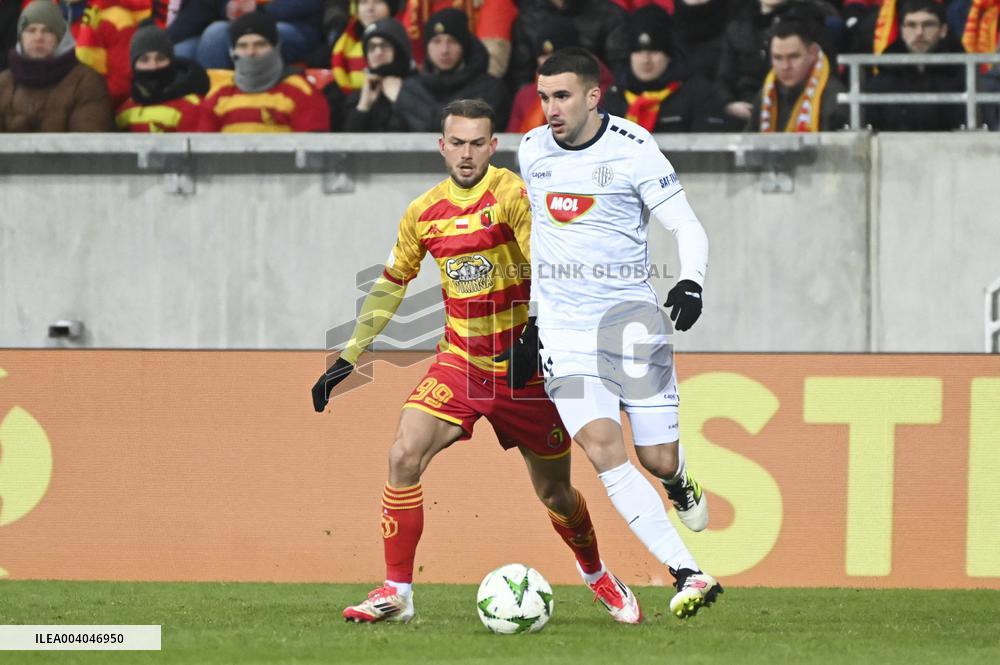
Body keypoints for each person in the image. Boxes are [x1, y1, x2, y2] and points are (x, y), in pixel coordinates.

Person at [314, 98, 643, 626]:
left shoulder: (513, 194)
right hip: (461, 362)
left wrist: (536, 331)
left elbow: (549, 263)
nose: (466, 154)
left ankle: (597, 574)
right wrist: (350, 355)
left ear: (493, 146)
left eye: (477, 143)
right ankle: (397, 591)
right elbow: (393, 282)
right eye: (457, 143)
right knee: (403, 456)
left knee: (556, 492)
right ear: (441, 146)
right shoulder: (423, 212)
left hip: (526, 369)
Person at [515, 47, 721, 619]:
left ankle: (679, 482)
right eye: (543, 97)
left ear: (591, 96)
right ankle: (689, 572)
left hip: (632, 328)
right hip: (566, 336)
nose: (550, 109)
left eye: (561, 97)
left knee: (656, 459)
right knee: (605, 450)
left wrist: (691, 283)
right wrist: (534, 320)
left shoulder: (633, 149)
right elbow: (542, 241)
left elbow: (685, 224)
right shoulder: (532, 151)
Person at [603, 5, 728, 133]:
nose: (645, 60)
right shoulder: (615, 96)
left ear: (669, 56)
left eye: (654, 51)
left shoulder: (699, 93)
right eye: (638, 51)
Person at [198, 11, 330, 132]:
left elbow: (313, 152)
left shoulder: (301, 92)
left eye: (260, 44)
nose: (251, 52)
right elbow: (202, 148)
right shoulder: (219, 94)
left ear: (276, 47)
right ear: (232, 52)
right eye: (242, 46)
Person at [0, 0, 114, 131]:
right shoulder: (3, 84)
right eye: (31, 30)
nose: (38, 37)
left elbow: (88, 145)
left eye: (47, 31)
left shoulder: (86, 82)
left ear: (60, 37)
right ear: (21, 37)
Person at [394, 8, 510, 130]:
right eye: (436, 41)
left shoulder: (490, 89)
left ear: (464, 46)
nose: (444, 50)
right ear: (426, 47)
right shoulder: (411, 89)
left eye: (452, 41)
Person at [866, 0, 966, 130]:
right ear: (902, 31)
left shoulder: (964, 78)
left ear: (943, 30)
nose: (919, 32)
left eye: (928, 24)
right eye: (911, 25)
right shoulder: (881, 82)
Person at [748, 18, 847, 131]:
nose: (785, 66)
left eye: (794, 57)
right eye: (778, 58)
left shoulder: (833, 96)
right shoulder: (766, 93)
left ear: (813, 53)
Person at [509, 0, 629, 91]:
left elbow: (620, 72)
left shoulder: (609, 15)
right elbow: (521, 76)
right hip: (540, 102)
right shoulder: (528, 18)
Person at [167, 0, 323, 70]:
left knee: (216, 34)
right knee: (180, 53)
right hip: (236, 23)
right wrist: (227, 6)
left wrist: (258, 11)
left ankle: (218, 104)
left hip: (295, 27)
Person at [116, 19, 210, 131]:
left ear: (171, 62)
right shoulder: (125, 110)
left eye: (160, 58)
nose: (153, 66)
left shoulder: (193, 106)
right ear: (133, 65)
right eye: (144, 60)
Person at [341, 18, 413, 132]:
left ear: (399, 51)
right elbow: (346, 144)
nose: (378, 52)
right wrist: (363, 107)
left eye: (385, 45)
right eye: (372, 47)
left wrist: (400, 101)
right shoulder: (358, 97)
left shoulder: (420, 88)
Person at [329, 0, 399, 94]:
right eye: (363, 2)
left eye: (378, 2)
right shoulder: (345, 43)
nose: (369, 8)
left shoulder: (404, 44)